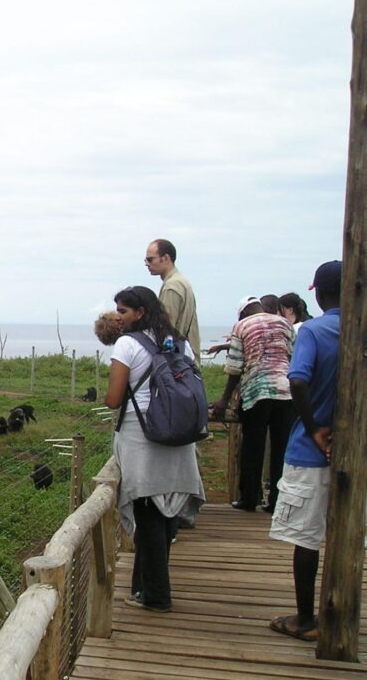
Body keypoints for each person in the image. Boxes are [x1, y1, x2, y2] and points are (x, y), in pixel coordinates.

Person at [105, 286, 205, 612]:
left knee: (147, 511)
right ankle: (142, 588)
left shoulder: (127, 344)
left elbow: (115, 398)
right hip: (177, 432)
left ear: (140, 313)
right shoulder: (179, 342)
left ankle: (157, 596)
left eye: (123, 311)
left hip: (141, 434)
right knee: (166, 511)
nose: (118, 318)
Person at [268, 262, 341, 641]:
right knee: (348, 536)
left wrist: (314, 430)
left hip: (312, 452)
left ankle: (306, 619)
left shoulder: (314, 330)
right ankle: (342, 611)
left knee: (308, 540)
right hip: (353, 454)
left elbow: (297, 380)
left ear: (318, 293)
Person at [211, 296, 296, 512]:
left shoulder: (241, 325)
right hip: (286, 391)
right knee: (281, 449)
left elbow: (234, 367)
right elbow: (293, 356)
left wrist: (224, 399)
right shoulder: (285, 323)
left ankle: (249, 499)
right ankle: (276, 501)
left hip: (257, 392)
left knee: (253, 447)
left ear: (243, 313)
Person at [144, 239, 201, 357]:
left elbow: (166, 328)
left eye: (150, 259)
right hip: (186, 359)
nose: (147, 264)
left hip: (178, 361)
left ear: (165, 258)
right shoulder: (180, 281)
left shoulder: (172, 286)